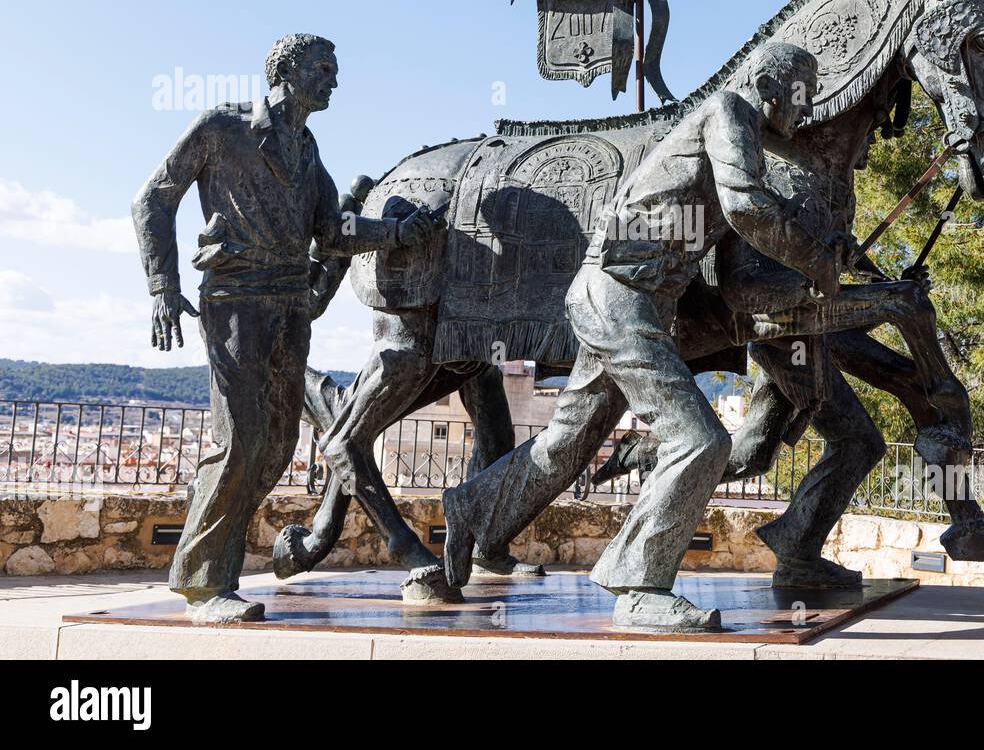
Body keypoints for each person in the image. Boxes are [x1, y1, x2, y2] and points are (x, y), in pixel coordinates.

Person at [442, 41, 842, 631]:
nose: (810, 111)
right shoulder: (730, 111)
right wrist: (814, 260)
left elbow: (741, 258)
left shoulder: (735, 143)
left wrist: (830, 258)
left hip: (624, 303)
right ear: (774, 83)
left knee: (564, 446)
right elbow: (749, 208)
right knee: (701, 441)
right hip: (621, 301)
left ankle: (471, 504)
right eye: (807, 91)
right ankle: (638, 584)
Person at [132, 34, 439, 623]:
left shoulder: (306, 144)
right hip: (236, 297)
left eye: (335, 70)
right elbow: (153, 198)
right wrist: (161, 287)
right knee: (241, 439)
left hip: (290, 303)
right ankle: (203, 584)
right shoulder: (224, 127)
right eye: (323, 68)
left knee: (273, 447)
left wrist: (397, 235)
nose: (333, 80)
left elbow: (332, 230)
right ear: (287, 68)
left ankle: (203, 563)